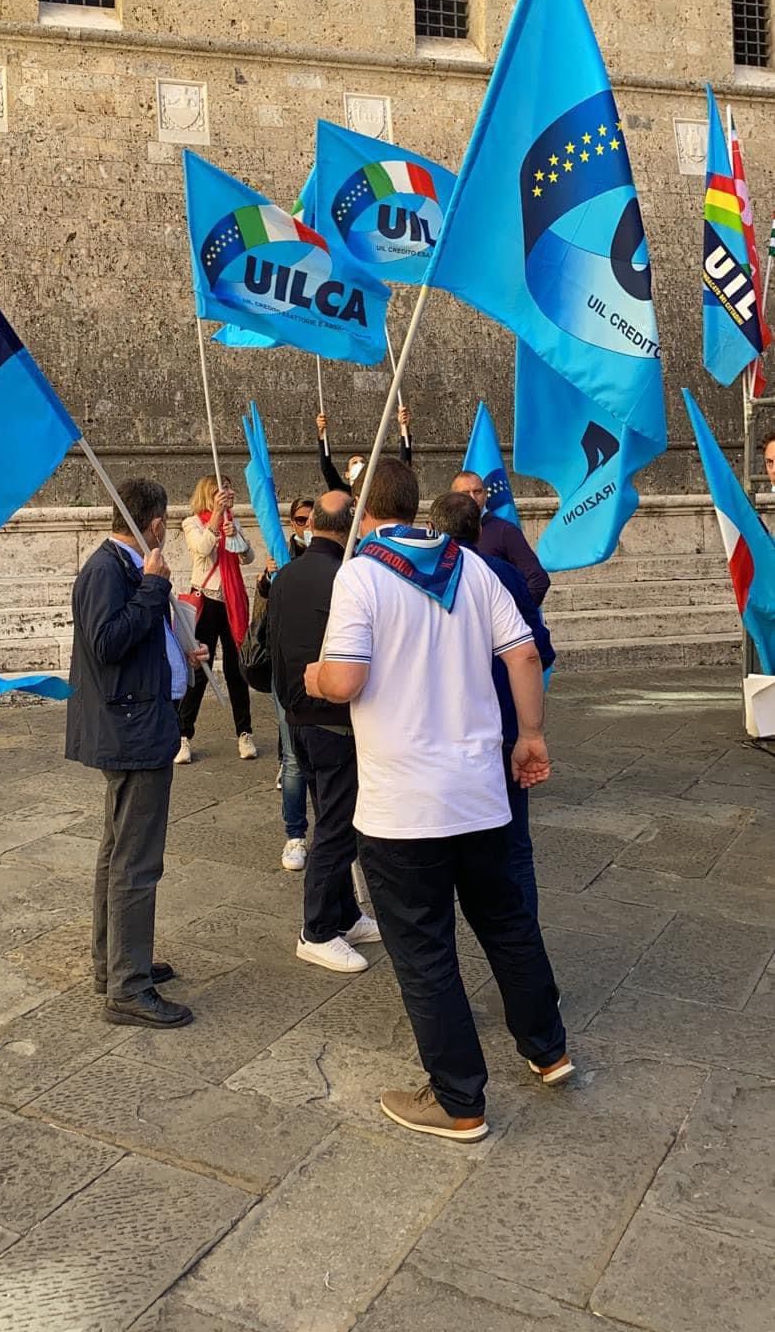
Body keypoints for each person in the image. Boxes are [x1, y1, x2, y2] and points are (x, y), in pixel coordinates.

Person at [305, 458, 572, 1143]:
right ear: (415, 504)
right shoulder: (472, 567)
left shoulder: (361, 574)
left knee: (425, 951)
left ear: (366, 514)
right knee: (507, 924)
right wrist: (531, 735)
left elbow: (346, 680)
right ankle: (548, 1049)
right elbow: (524, 655)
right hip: (480, 792)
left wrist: (315, 676)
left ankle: (458, 1099)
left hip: (402, 806)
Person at [65, 478, 208, 1029]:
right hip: (131, 731)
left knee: (118, 851)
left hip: (135, 722)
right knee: (136, 861)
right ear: (155, 525)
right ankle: (127, 985)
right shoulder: (111, 570)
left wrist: (178, 654)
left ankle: (117, 962)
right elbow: (107, 642)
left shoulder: (122, 567)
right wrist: (152, 588)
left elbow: (133, 642)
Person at [268, 489, 380, 973]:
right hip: (334, 720)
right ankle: (315, 930)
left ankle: (343, 914)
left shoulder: (286, 575)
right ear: (350, 526)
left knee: (331, 817)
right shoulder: (346, 576)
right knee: (338, 828)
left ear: (313, 523)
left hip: (298, 718)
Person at [429, 491, 555, 917]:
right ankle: (524, 936)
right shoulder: (502, 574)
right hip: (502, 723)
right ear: (479, 528)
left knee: (435, 850)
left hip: (440, 729)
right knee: (515, 846)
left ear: (433, 529)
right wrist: (532, 730)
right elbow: (535, 651)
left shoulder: (416, 578)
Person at [176, 475, 256, 765]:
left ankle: (244, 733)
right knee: (199, 670)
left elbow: (248, 557)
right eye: (220, 490)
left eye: (229, 488)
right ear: (208, 495)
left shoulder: (233, 522)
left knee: (237, 671)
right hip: (206, 601)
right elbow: (202, 548)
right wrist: (217, 519)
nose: (227, 493)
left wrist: (236, 538)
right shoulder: (192, 523)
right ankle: (183, 735)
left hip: (232, 602)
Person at [256, 497, 315, 870]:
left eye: (313, 519)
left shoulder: (337, 557)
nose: (307, 525)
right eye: (301, 519)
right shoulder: (282, 555)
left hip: (323, 669)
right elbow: (266, 602)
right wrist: (267, 577)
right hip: (287, 668)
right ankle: (295, 834)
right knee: (293, 758)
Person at [451, 470, 550, 606]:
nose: (472, 498)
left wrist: (516, 614)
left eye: (477, 492)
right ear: (452, 498)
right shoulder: (445, 532)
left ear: (485, 495)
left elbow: (538, 579)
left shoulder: (505, 531)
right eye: (465, 493)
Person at [317, 408, 413, 494]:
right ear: (347, 474)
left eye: (363, 462)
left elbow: (403, 469)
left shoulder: (378, 494)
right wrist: (322, 433)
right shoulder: (343, 493)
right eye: (354, 462)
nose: (360, 464)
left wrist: (404, 428)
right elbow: (327, 468)